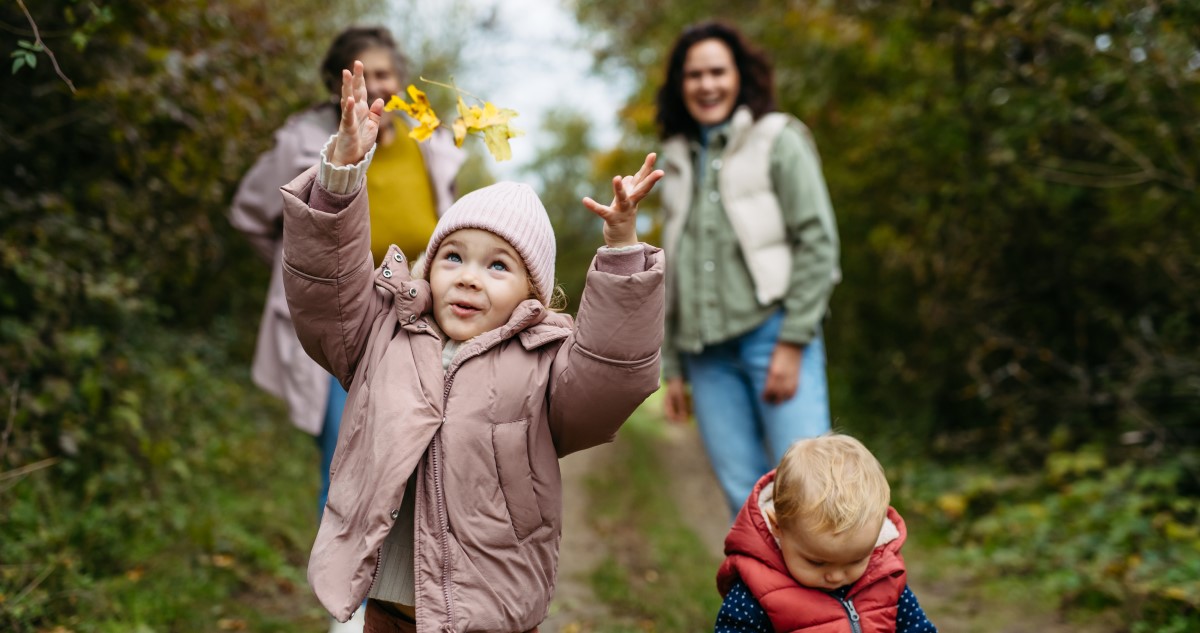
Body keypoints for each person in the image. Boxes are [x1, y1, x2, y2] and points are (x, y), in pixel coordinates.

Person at [279, 60, 665, 632]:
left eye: (498, 266)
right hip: (386, 602)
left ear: (531, 293)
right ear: (429, 267)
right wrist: (339, 174)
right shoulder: (382, 332)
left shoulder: (544, 365)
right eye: (453, 256)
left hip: (488, 610)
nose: (468, 276)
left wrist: (621, 255)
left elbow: (614, 376)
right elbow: (325, 288)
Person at [229, 26, 464, 523]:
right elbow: (250, 214)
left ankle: (398, 588)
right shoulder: (306, 140)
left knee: (420, 449)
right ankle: (342, 595)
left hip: (420, 317)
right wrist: (301, 267)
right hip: (345, 314)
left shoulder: (431, 142)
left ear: (400, 78)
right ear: (339, 84)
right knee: (344, 453)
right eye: (364, 74)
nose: (377, 84)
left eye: (385, 73)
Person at [655, 21, 841, 518]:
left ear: (741, 76)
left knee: (813, 495)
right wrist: (672, 367)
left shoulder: (779, 138)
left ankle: (845, 598)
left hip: (774, 336)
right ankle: (770, 600)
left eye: (718, 71)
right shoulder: (674, 160)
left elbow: (818, 242)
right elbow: (673, 267)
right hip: (705, 358)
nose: (706, 84)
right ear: (680, 84)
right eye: (694, 75)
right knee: (747, 503)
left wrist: (793, 341)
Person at [715, 433, 938, 632]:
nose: (836, 577)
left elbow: (916, 626)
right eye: (817, 562)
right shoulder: (755, 591)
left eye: (856, 560)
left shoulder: (885, 576)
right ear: (778, 527)